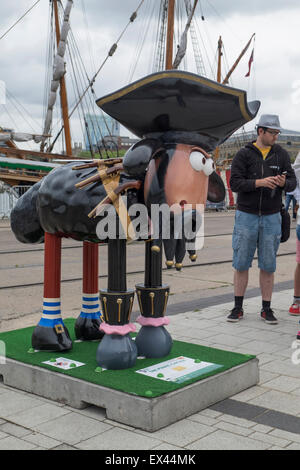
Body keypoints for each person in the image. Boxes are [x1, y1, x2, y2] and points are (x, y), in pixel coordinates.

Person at [227, 114, 296, 324]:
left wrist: (284, 183)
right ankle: (237, 307)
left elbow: (293, 182)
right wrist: (259, 183)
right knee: (241, 263)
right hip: (246, 215)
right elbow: (235, 184)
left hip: (272, 216)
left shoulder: (281, 155)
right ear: (261, 132)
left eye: (277, 133)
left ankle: (266, 308)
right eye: (273, 133)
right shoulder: (243, 154)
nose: (276, 136)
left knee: (268, 264)